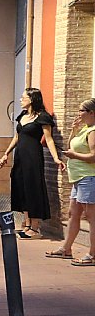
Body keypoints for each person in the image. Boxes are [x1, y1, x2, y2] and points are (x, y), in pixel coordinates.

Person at [0, 88, 65, 239]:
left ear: (32, 99)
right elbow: (17, 137)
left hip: (33, 157)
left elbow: (48, 139)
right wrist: (6, 153)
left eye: (24, 98)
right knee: (22, 188)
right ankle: (27, 223)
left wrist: (55, 158)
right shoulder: (22, 115)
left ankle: (35, 228)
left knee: (33, 188)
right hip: (20, 157)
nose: (21, 100)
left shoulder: (42, 117)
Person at [45, 99, 95, 264]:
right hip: (78, 178)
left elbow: (93, 156)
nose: (79, 113)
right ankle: (66, 249)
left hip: (88, 178)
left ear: (91, 113)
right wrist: (74, 131)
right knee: (73, 214)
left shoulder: (93, 131)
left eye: (82, 110)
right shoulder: (84, 129)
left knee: (91, 217)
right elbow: (71, 147)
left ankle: (93, 254)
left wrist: (74, 156)